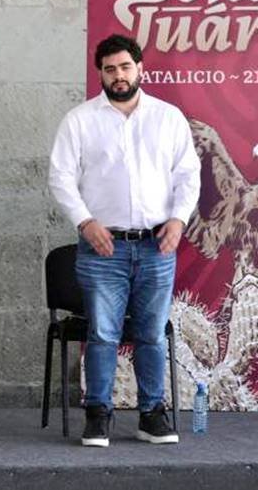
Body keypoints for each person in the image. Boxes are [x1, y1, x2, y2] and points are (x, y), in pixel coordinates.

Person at [49, 33, 200, 448]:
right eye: (110, 69)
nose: (118, 75)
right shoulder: (79, 121)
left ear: (140, 69)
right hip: (102, 247)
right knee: (102, 333)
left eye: (125, 67)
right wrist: (85, 222)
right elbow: (60, 177)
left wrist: (178, 220)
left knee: (151, 333)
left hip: (156, 246)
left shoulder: (168, 118)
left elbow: (188, 175)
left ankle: (151, 415)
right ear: (100, 73)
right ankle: (98, 414)